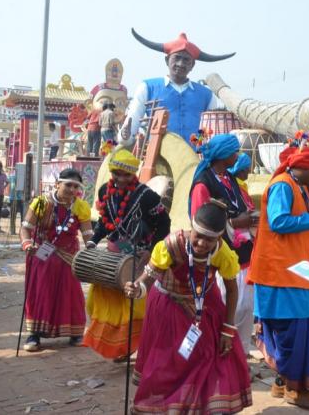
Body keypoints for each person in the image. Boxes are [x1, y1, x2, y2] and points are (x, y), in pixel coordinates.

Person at [125, 200, 253, 413]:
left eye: (210, 240)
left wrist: (228, 330)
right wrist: (137, 289)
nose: (202, 243)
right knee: (169, 360)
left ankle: (202, 405)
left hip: (206, 306)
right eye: (198, 236)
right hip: (168, 305)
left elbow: (232, 290)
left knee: (207, 356)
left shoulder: (222, 253)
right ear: (191, 228)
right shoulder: (171, 244)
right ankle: (164, 404)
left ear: (219, 238)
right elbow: (149, 276)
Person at [248, 134, 309, 408]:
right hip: (278, 271)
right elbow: (279, 221)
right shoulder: (282, 185)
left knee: (304, 326)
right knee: (289, 330)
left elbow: (308, 221)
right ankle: (295, 389)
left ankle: (284, 384)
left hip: (299, 269)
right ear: (305, 168)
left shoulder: (302, 188)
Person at [83, 149, 170, 361]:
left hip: (139, 257)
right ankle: (118, 345)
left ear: (134, 175)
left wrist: (151, 251)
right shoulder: (105, 191)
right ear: (112, 172)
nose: (121, 179)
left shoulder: (147, 196)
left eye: (127, 175)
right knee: (106, 298)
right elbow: (105, 222)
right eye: (117, 174)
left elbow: (164, 224)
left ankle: (134, 345)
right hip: (113, 254)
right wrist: (94, 240)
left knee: (134, 300)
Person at [190, 136, 256, 356]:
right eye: (234, 152)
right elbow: (201, 225)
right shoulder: (203, 183)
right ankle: (222, 355)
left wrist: (248, 219)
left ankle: (241, 356)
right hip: (220, 257)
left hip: (243, 255)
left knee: (246, 309)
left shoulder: (228, 178)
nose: (237, 156)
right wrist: (238, 223)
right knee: (228, 309)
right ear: (223, 154)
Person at [19, 168, 95, 352]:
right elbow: (25, 228)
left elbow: (87, 233)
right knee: (40, 293)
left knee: (72, 294)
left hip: (69, 257)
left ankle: (75, 333)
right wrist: (27, 244)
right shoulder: (41, 203)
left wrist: (91, 247)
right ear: (57, 184)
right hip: (42, 255)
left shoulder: (81, 206)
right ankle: (34, 335)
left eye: (75, 186)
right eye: (68, 185)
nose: (71, 189)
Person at [121, 30, 234, 148]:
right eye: (177, 58)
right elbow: (129, 129)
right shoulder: (147, 87)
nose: (181, 63)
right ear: (167, 60)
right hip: (157, 159)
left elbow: (210, 129)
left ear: (193, 65)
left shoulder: (206, 95)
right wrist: (126, 135)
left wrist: (197, 143)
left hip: (196, 160)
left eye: (186, 60)